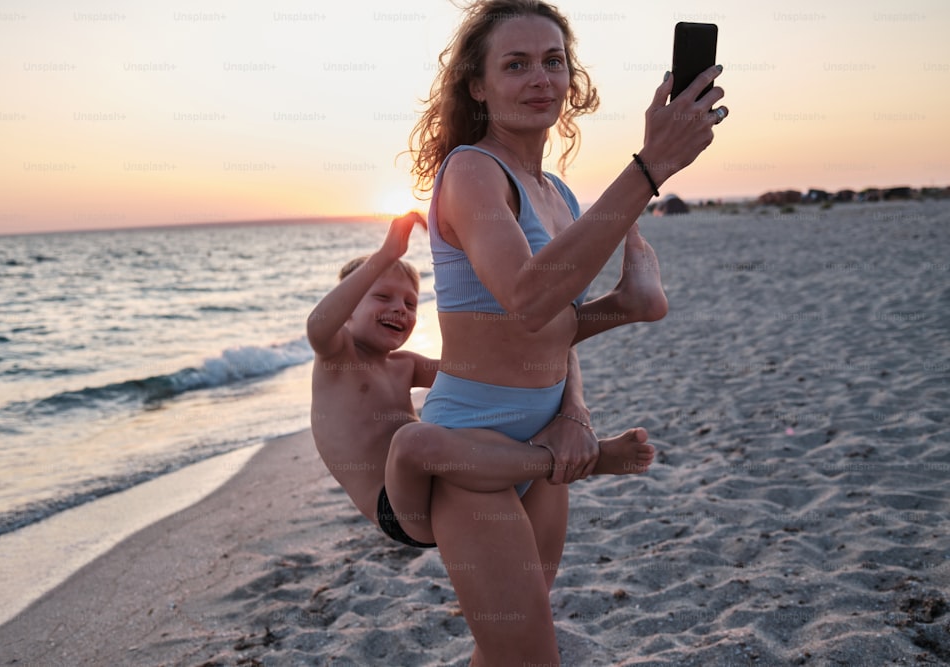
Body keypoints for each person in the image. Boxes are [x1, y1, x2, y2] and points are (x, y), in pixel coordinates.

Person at [406, 1, 727, 664]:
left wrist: (613, 328)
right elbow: (526, 299)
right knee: (529, 653)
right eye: (516, 64)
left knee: (508, 647)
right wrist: (650, 168)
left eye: (553, 62)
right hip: (472, 453)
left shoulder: (558, 194)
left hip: (548, 446)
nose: (540, 79)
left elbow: (550, 329)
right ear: (478, 85)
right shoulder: (471, 172)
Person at [307, 212, 656, 550]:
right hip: (404, 509)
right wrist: (387, 255)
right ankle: (575, 461)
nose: (400, 308)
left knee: (517, 357)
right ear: (349, 308)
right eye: (383, 297)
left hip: (457, 472)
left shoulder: (404, 365)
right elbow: (319, 323)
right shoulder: (337, 358)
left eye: (411, 303)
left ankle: (623, 305)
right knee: (411, 440)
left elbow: (498, 364)